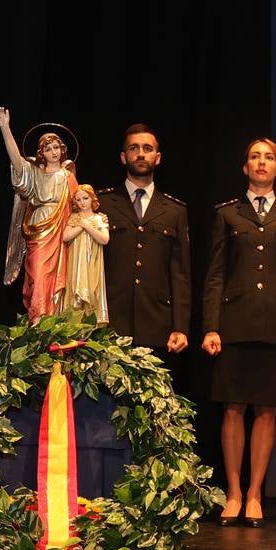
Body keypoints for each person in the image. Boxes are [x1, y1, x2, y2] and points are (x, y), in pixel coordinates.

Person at [201, 138, 276, 526]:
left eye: (269, 158)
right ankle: (232, 492)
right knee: (233, 408)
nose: (261, 162)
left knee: (265, 411)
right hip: (234, 325)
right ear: (245, 167)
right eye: (254, 157)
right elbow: (215, 274)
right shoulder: (228, 214)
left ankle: (254, 493)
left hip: (275, 326)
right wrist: (211, 326)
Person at [97, 124, 190, 369]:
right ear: (123, 156)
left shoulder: (174, 210)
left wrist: (180, 327)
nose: (140, 154)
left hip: (157, 324)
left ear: (157, 158)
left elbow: (180, 274)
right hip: (110, 322)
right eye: (134, 148)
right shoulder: (101, 203)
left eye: (147, 149)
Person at [0, 107, 78, 324]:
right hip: (39, 232)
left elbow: (79, 206)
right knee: (38, 274)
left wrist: (93, 222)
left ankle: (53, 322)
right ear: (42, 152)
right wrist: (5, 128)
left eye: (56, 147)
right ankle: (37, 321)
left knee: (59, 278)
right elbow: (17, 161)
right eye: (48, 148)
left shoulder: (68, 176)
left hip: (62, 234)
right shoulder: (35, 174)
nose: (53, 151)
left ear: (62, 150)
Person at [63, 184, 110, 324]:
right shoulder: (73, 218)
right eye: (78, 200)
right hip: (76, 262)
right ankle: (73, 325)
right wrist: (80, 226)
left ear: (92, 199)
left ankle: (91, 325)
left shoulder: (99, 219)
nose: (82, 202)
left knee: (92, 289)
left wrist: (87, 226)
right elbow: (65, 237)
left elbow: (104, 239)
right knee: (75, 289)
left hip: (93, 262)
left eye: (85, 198)